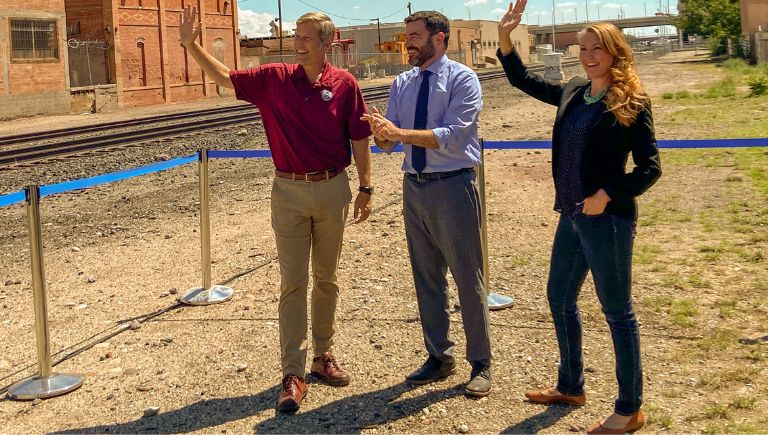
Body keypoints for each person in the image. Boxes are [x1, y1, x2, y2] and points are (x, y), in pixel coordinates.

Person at [179, 7, 373, 413]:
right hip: (288, 190)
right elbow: (224, 78)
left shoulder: (345, 84)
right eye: (295, 36)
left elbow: (359, 137)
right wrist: (191, 45)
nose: (297, 43)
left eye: (305, 37)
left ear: (327, 42)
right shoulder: (274, 79)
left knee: (327, 279)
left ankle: (323, 356)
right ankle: (293, 372)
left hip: (334, 187)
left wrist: (366, 187)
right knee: (293, 282)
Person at [496, 1, 661, 433]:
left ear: (615, 53)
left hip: (606, 221)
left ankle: (630, 408)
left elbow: (650, 168)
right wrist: (505, 39)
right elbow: (523, 80)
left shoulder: (631, 101)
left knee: (617, 312)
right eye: (583, 48)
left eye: (596, 49)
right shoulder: (573, 89)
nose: (587, 56)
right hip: (570, 217)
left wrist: (607, 195)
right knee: (559, 298)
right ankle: (571, 385)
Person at [361, 10, 493, 398]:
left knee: (468, 277)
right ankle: (440, 356)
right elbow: (391, 143)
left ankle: (481, 362)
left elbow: (453, 135)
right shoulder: (402, 82)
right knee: (426, 277)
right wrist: (381, 133)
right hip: (414, 187)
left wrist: (399, 132)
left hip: (453, 186)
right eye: (407, 36)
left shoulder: (463, 79)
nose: (408, 43)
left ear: (440, 38)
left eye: (415, 36)